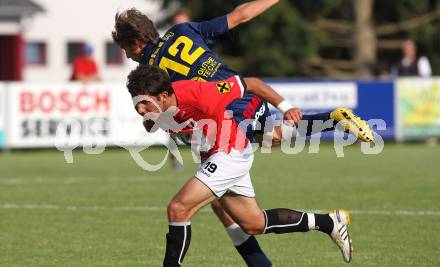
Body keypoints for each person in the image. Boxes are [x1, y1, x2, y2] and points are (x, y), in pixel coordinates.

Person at [112, 2, 371, 266]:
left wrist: (286, 106)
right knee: (251, 216)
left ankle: (330, 122)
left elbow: (179, 103)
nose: (127, 55)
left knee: (197, 202)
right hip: (239, 97)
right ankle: (327, 210)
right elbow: (240, 15)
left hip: (227, 109)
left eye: (124, 49)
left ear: (136, 43)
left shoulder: (152, 73)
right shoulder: (182, 31)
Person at [126, 64, 353, 266]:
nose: (140, 110)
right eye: (137, 104)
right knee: (254, 224)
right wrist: (152, 119)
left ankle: (331, 120)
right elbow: (156, 123)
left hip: (229, 153)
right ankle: (328, 222)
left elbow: (252, 83)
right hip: (217, 157)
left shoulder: (200, 93)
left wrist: (286, 108)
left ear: (164, 96)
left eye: (144, 103)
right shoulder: (158, 109)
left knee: (178, 208)